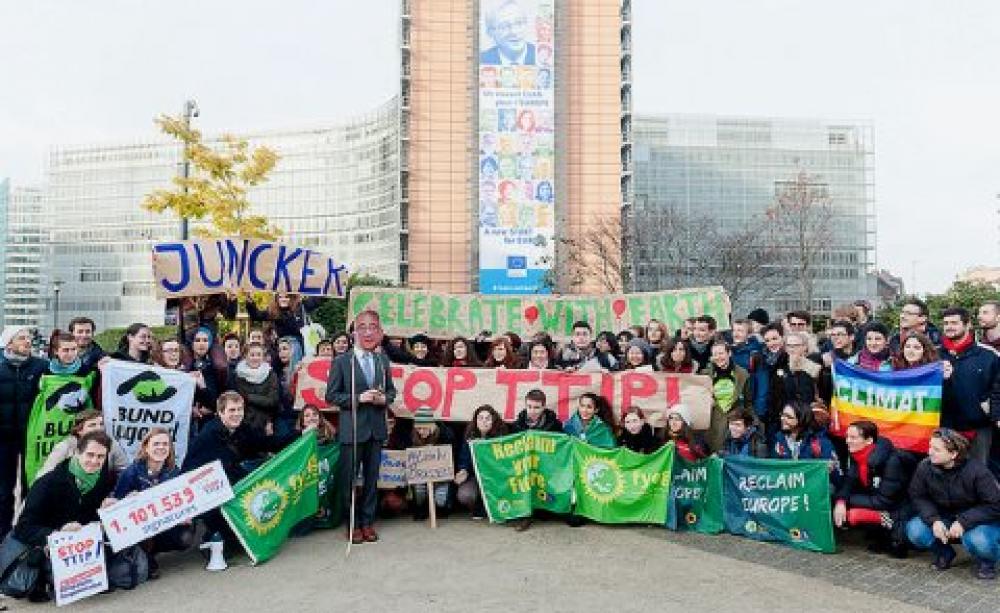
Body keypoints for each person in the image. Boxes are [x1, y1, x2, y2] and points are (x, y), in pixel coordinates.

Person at [183, 391, 298, 552]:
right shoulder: (209, 435)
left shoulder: (242, 429)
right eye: (232, 410)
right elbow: (196, 472)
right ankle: (211, 537)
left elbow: (266, 443)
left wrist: (299, 435)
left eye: (240, 409)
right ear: (221, 413)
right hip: (205, 491)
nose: (237, 414)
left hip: (228, 480)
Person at [10, 430, 117, 601]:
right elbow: (22, 527)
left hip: (80, 548)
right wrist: (57, 532)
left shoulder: (100, 478)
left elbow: (89, 516)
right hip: (47, 545)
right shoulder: (48, 483)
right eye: (90, 454)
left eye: (100, 457)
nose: (94, 461)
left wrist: (106, 511)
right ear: (76, 452)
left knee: (120, 574)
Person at [325, 310, 397, 545]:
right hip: (352, 431)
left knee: (371, 479)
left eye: (373, 327)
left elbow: (392, 392)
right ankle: (352, 524)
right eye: (363, 327)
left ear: (379, 332)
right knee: (349, 481)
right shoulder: (342, 361)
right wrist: (358, 398)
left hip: (376, 430)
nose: (368, 332)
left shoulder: (382, 360)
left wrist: (382, 399)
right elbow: (331, 395)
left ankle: (367, 522)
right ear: (354, 332)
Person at [906, 429, 1000, 579]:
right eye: (930, 447)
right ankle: (944, 553)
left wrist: (963, 521)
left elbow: (995, 505)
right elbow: (918, 496)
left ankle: (987, 562)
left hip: (980, 521)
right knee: (915, 530)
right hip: (945, 517)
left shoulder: (977, 471)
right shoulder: (924, 467)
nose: (930, 452)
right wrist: (934, 520)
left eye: (936, 449)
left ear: (953, 454)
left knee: (978, 540)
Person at [114, 428, 194, 578]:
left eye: (165, 444)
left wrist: (184, 515)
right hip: (137, 529)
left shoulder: (173, 471)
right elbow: (116, 503)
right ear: (146, 447)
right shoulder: (131, 472)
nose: (161, 448)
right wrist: (127, 501)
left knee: (186, 537)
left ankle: (151, 551)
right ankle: (144, 555)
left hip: (163, 524)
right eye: (156, 444)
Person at [833, 420, 913, 558]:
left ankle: (892, 530)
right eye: (847, 436)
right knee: (840, 504)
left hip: (899, 509)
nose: (847, 441)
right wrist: (840, 501)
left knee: (898, 550)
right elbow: (848, 483)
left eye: (853, 438)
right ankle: (878, 531)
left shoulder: (892, 462)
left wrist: (850, 502)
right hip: (877, 502)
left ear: (869, 440)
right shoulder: (857, 455)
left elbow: (884, 501)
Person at [0, 325, 48, 540]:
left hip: (32, 437)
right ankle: (3, 534)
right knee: (3, 489)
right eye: (21, 338)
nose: (27, 341)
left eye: (29, 338)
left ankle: (28, 530)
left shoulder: (41, 366)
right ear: (9, 343)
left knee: (32, 486)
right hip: (3, 438)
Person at [938, 307, 1000, 462]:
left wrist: (993, 414)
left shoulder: (989, 355)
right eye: (946, 323)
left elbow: (997, 389)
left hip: (978, 429)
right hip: (943, 428)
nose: (949, 327)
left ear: (967, 325)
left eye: (954, 322)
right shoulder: (933, 354)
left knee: (977, 475)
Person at [36, 409, 128, 480]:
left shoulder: (111, 444)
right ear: (79, 430)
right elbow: (44, 475)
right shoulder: (65, 447)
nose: (99, 428)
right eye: (92, 425)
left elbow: (124, 470)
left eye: (101, 424)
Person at [455, 405, 507, 518]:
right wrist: (463, 471)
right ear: (476, 420)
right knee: (465, 495)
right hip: (475, 476)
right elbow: (464, 459)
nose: (484, 421)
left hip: (495, 477)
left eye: (487, 418)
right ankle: (476, 507)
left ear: (493, 420)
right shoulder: (470, 436)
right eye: (480, 418)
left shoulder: (501, 437)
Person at [700, 339, 751, 451]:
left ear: (729, 353)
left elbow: (748, 402)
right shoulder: (704, 375)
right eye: (715, 354)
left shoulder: (742, 374)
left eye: (721, 353)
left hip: (734, 424)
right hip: (712, 423)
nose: (718, 357)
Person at [407, 408, 455, 520]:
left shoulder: (444, 433)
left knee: (441, 499)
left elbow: (451, 447)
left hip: (441, 477)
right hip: (421, 476)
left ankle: (440, 510)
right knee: (419, 492)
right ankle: (421, 510)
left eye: (425, 428)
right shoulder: (412, 436)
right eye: (419, 428)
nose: (421, 431)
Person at [771, 401, 839, 470]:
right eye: (782, 415)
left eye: (788, 417)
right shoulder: (779, 441)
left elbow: (836, 474)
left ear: (801, 419)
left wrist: (830, 469)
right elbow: (772, 468)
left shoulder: (818, 442)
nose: (782, 419)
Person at [231, 341, 281, 433]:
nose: (255, 358)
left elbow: (273, 400)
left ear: (263, 357)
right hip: (243, 423)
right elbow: (238, 398)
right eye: (252, 355)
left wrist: (249, 397)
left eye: (258, 355)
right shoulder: (238, 375)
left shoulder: (271, 374)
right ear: (246, 356)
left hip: (265, 423)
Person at [246, 293, 322, 348]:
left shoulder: (301, 306)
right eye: (280, 297)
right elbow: (256, 316)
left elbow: (317, 299)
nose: (283, 299)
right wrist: (250, 303)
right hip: (283, 347)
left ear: (291, 298)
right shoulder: (273, 311)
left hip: (301, 346)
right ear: (277, 299)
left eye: (286, 297)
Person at [731, 319, 768, 419]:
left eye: (740, 331)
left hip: (749, 403)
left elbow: (762, 382)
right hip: (731, 402)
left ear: (749, 334)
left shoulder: (755, 354)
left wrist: (759, 409)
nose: (736, 334)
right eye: (734, 330)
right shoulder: (729, 351)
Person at [480, 0, 536, 65]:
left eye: (519, 23)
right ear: (490, 32)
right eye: (504, 26)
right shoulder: (482, 61)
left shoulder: (542, 56)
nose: (514, 32)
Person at [189, 327, 220, 430]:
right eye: (197, 340)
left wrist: (203, 386)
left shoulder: (216, 367)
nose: (201, 344)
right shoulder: (185, 365)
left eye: (205, 340)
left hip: (208, 423)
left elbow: (215, 401)